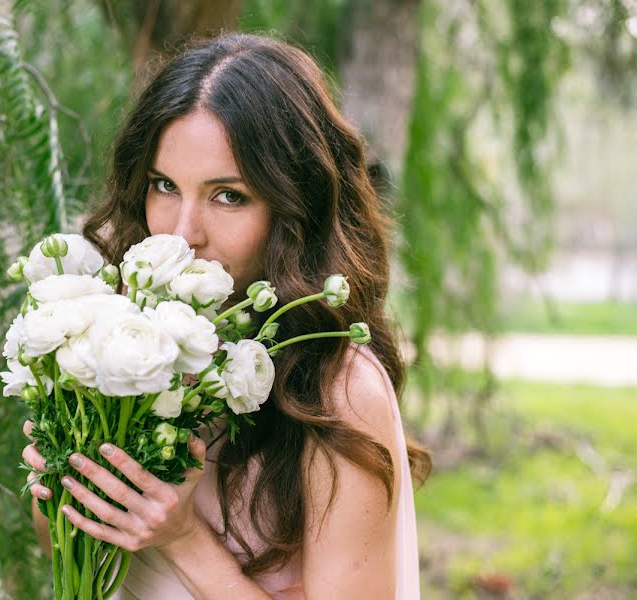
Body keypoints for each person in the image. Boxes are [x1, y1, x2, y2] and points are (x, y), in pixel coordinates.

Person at [21, 32, 431, 599]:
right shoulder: (125, 341)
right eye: (164, 186)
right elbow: (65, 554)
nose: (183, 232)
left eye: (228, 195)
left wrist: (182, 534)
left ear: (294, 208)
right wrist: (68, 479)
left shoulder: (338, 392)